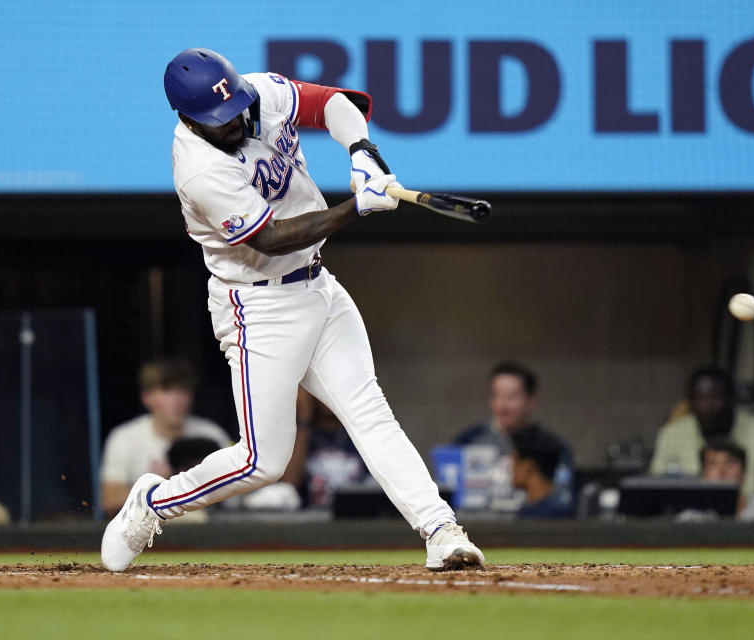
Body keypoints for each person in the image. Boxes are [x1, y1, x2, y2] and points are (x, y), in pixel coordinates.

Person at [100, 48, 483, 572]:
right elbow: (274, 238)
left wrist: (362, 151)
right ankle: (153, 504)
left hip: (318, 287)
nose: (234, 120)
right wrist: (355, 209)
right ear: (187, 117)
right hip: (258, 304)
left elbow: (332, 103)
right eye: (219, 118)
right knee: (263, 463)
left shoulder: (255, 93)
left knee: (368, 410)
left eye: (234, 106)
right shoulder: (198, 168)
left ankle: (441, 530)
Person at [99, 358, 231, 515]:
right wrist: (158, 486)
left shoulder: (212, 434)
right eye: (167, 390)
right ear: (146, 397)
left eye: (183, 390)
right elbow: (108, 500)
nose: (176, 400)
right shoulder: (124, 438)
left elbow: (239, 492)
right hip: (149, 534)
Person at [649, 365, 754, 497]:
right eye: (699, 399)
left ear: (731, 399)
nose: (706, 407)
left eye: (714, 398)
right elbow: (654, 494)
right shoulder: (672, 435)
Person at [452, 361, 574, 500]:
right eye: (496, 396)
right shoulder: (467, 442)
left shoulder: (551, 448)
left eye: (511, 397)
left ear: (530, 401)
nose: (502, 406)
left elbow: (563, 498)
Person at [510, 425, 574, 518]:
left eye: (514, 463)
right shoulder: (567, 511)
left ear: (528, 467)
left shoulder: (531, 517)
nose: (510, 469)